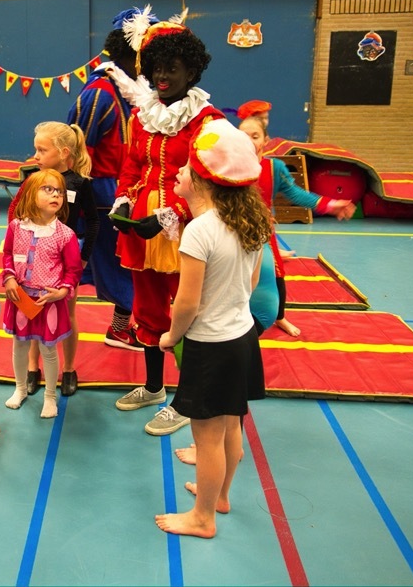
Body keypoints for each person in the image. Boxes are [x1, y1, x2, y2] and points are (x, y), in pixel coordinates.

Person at [154, 118, 272, 538]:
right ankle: (219, 497)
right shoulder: (252, 220)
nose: (179, 172)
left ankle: (203, 518)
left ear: (203, 180)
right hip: (242, 336)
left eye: (186, 167)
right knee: (231, 424)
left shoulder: (200, 231)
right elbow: (252, 283)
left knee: (207, 438)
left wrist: (171, 336)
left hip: (210, 345)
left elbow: (187, 302)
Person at [110, 9, 222, 438]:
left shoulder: (208, 122)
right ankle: (155, 387)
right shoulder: (142, 116)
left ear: (191, 71)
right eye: (156, 68)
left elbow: (208, 181)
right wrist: (123, 203)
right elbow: (132, 165)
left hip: (188, 228)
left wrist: (167, 216)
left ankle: (186, 401)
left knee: (189, 314)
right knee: (148, 308)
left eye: (171, 68)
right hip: (142, 228)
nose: (161, 76)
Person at [68, 9, 152, 353]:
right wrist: (75, 205)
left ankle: (120, 327)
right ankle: (107, 330)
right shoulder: (100, 93)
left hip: (123, 191)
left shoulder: (129, 89)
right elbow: (76, 151)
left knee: (125, 264)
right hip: (102, 196)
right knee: (119, 265)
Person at [239, 116, 355, 337]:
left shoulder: (274, 168)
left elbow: (295, 193)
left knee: (277, 274)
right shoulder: (227, 166)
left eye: (255, 136)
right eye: (243, 136)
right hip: (235, 230)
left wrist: (329, 204)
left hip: (262, 232)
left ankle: (280, 316)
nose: (249, 141)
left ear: (265, 140)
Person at [7, 122, 97, 396]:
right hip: (35, 257)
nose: (35, 155)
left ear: (63, 152)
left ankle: (68, 369)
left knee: (66, 312)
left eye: (42, 150)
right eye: (36, 149)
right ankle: (32, 368)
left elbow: (93, 222)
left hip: (66, 258)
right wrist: (19, 245)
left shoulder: (79, 183)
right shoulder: (34, 180)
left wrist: (83, 258)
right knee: (33, 309)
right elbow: (15, 211)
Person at [2, 168, 82, 418]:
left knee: (48, 350)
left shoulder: (65, 235)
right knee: (19, 345)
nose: (55, 194)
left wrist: (62, 291)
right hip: (20, 298)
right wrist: (9, 277)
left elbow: (73, 270)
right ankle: (20, 388)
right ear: (30, 194)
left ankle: (50, 396)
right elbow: (7, 254)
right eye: (48, 189)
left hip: (49, 302)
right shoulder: (16, 227)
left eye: (59, 191)